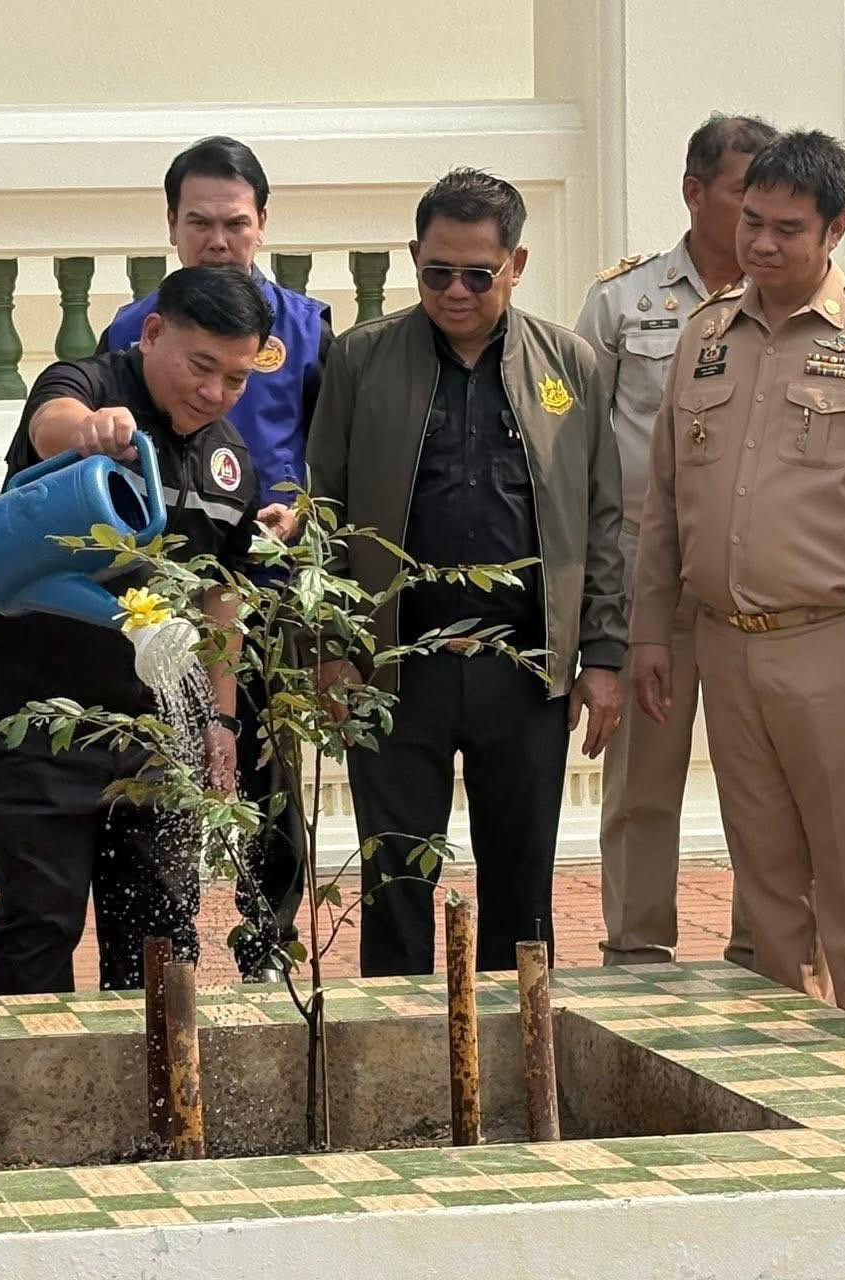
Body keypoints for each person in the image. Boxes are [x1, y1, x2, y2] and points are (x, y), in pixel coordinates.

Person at [632, 130, 845, 1031]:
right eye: (753, 223)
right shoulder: (705, 335)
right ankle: (788, 1075)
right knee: (764, 882)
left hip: (837, 647)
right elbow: (664, 503)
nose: (761, 245)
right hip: (728, 647)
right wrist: (651, 631)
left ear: (836, 229)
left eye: (787, 230)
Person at [309, 167, 627, 976]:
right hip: (395, 670)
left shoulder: (573, 366)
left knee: (522, 886)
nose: (455, 290)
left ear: (515, 265)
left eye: (477, 274)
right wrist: (333, 647)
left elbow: (604, 520)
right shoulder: (359, 361)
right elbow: (324, 513)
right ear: (414, 256)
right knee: (396, 882)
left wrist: (606, 656)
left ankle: (523, 1062)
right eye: (436, 271)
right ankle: (396, 1059)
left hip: (522, 675)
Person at [0, 264, 266, 996]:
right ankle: (31, 1101)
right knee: (40, 920)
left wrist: (220, 720)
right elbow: (50, 424)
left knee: (162, 927)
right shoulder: (94, 386)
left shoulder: (230, 463)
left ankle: (160, 1104)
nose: (214, 392)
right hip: (36, 722)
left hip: (158, 734)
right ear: (154, 334)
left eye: (235, 378)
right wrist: (92, 434)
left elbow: (222, 601)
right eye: (201, 368)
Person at [98, 136, 333, 981]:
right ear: (171, 225)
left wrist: (302, 511)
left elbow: (328, 452)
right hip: (155, 609)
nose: (218, 239)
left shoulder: (307, 328)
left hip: (260, 595)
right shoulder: (135, 327)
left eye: (235, 222)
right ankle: (163, 958)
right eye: (200, 222)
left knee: (261, 775)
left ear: (263, 224)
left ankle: (265, 940)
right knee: (158, 781)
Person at [577, 113, 775, 969]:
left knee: (760, 788)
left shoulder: (797, 302)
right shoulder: (625, 301)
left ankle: (760, 957)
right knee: (641, 789)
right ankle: (636, 955)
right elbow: (577, 453)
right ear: (695, 191)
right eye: (745, 193)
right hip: (644, 589)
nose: (762, 213)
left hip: (757, 593)